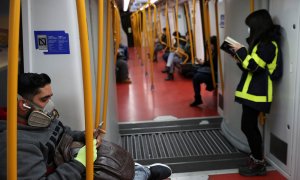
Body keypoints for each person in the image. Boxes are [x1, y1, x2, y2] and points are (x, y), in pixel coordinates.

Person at [0, 73, 172, 179]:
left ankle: (137, 171)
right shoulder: (16, 144)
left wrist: (84, 135)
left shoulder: (40, 119)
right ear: (23, 105)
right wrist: (80, 163)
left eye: (50, 97)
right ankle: (141, 173)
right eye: (44, 99)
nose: (50, 104)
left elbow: (63, 133)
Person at [229, 9, 281, 176]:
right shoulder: (260, 44)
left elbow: (254, 67)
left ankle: (259, 163)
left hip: (258, 94)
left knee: (249, 127)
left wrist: (242, 51)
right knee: (248, 126)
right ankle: (256, 157)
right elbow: (248, 66)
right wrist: (239, 58)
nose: (249, 30)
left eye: (250, 27)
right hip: (250, 93)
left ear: (258, 26)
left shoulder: (269, 45)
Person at [190, 36, 218, 106]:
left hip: (214, 74)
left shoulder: (217, 54)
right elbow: (209, 63)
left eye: (210, 45)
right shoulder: (214, 52)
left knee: (196, 78)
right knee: (194, 71)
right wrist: (203, 63)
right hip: (210, 71)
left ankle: (198, 99)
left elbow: (213, 65)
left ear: (213, 44)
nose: (209, 47)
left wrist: (203, 63)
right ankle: (198, 98)